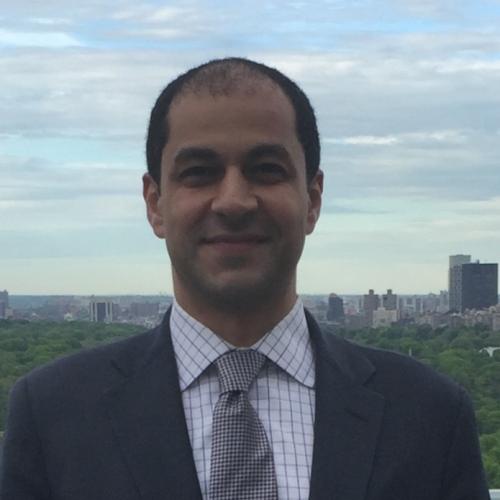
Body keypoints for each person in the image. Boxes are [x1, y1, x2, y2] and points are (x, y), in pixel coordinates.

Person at [0, 58, 490, 500]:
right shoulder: (52, 414)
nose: (234, 201)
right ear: (154, 204)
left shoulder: (430, 414)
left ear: (313, 200)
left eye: (267, 170)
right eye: (199, 173)